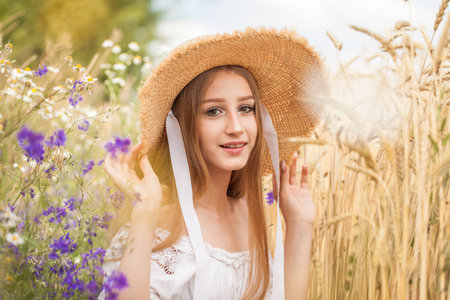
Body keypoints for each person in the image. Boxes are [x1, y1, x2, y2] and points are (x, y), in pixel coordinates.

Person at [100, 28, 327, 300]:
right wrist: (144, 212)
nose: (236, 127)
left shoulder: (249, 217)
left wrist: (300, 224)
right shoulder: (159, 224)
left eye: (246, 108)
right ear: (183, 126)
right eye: (213, 111)